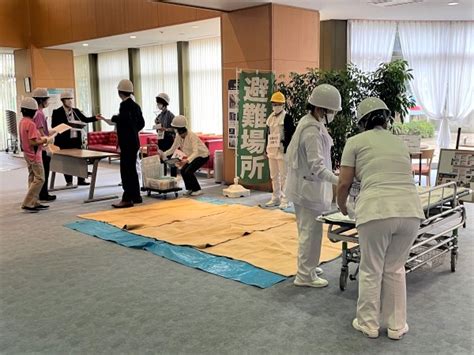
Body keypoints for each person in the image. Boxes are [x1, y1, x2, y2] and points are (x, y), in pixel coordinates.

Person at [337, 97, 425, 340]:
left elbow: (344, 182)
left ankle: (368, 324)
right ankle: (397, 326)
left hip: (376, 210)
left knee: (371, 268)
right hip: (410, 211)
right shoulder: (399, 143)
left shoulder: (354, 142)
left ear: (362, 121)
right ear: (386, 119)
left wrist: (341, 206)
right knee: (395, 268)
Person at [285, 84, 342, 288]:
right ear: (321, 109)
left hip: (305, 187)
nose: (333, 114)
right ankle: (304, 275)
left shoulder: (310, 122)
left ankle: (308, 265)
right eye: (332, 111)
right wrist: (340, 181)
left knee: (306, 230)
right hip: (308, 189)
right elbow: (317, 167)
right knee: (311, 232)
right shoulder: (311, 131)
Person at [98, 79, 145, 208]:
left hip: (126, 143)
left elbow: (124, 120)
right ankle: (136, 196)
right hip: (134, 142)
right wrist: (133, 130)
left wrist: (115, 118)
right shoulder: (136, 105)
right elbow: (141, 123)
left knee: (126, 171)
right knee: (132, 170)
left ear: (120, 92)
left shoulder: (124, 105)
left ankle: (127, 198)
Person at [52, 91, 98, 186]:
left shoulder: (76, 111)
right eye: (67, 99)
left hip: (75, 139)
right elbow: (54, 126)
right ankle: (69, 181)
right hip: (64, 141)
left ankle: (81, 180)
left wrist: (95, 118)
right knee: (67, 161)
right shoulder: (57, 112)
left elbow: (85, 119)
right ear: (62, 100)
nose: (70, 101)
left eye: (71, 99)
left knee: (80, 160)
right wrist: (66, 125)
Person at [18, 97, 53, 212]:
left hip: (27, 154)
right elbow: (33, 141)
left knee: (32, 177)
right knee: (40, 178)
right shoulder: (31, 124)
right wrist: (45, 140)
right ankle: (28, 202)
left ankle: (34, 201)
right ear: (33, 111)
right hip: (34, 155)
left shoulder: (22, 122)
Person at [160, 115, 209, 196]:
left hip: (202, 155)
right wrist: (163, 154)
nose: (181, 136)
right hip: (192, 156)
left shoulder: (192, 135)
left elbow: (196, 152)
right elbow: (172, 149)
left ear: (183, 130)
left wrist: (186, 160)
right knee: (183, 171)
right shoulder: (178, 136)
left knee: (189, 171)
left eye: (183, 135)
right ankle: (190, 189)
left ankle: (197, 189)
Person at [264, 91, 295, 209]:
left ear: (282, 105)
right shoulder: (270, 118)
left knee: (284, 176)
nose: (275, 106)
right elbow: (267, 134)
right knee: (274, 175)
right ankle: (275, 197)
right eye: (273, 104)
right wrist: (265, 148)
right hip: (271, 150)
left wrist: (286, 146)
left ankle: (285, 199)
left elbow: (291, 134)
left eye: (277, 104)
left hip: (282, 150)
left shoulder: (287, 117)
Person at [31, 88, 56, 201]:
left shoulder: (35, 113)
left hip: (37, 146)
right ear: (41, 100)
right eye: (46, 99)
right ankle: (43, 194)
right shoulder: (39, 113)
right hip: (42, 146)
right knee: (44, 171)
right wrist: (48, 140)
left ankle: (41, 193)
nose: (48, 102)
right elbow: (41, 132)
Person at [154, 92, 177, 177]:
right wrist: (157, 126)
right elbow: (158, 130)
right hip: (161, 140)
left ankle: (173, 179)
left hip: (169, 140)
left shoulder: (171, 115)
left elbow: (175, 129)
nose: (158, 105)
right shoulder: (159, 116)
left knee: (171, 160)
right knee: (161, 160)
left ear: (164, 104)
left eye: (159, 103)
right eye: (158, 103)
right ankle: (163, 178)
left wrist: (166, 129)